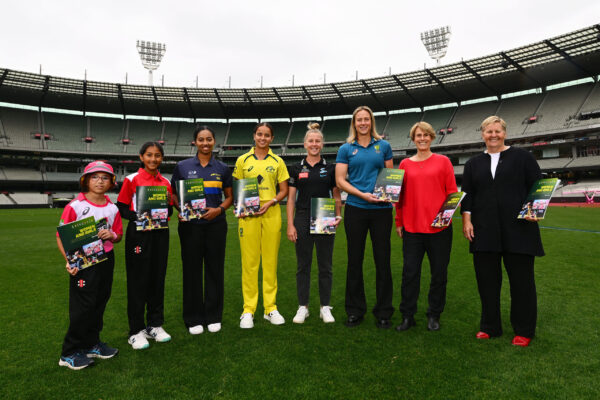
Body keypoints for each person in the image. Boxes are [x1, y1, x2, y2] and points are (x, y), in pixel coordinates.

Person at [461, 116, 544, 347]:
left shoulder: (523, 157)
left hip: (519, 229)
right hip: (484, 231)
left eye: (497, 131)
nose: (493, 135)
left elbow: (538, 186)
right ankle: (490, 327)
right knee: (487, 282)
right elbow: (467, 195)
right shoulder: (473, 164)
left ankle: (524, 330)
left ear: (504, 133)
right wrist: (466, 221)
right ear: (482, 134)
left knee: (522, 283)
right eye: (488, 131)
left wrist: (535, 210)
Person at [56, 161, 123, 370]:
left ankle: (92, 344)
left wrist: (111, 234)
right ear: (85, 180)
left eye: (105, 177)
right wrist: (69, 261)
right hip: (83, 263)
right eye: (94, 177)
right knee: (83, 306)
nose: (99, 181)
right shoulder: (75, 206)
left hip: (105, 259)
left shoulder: (112, 208)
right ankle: (69, 352)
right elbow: (61, 235)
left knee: (100, 301)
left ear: (111, 182)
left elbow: (118, 235)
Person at [394, 122, 457, 332]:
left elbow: (452, 194)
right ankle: (407, 315)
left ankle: (434, 314)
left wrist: (445, 219)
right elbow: (399, 197)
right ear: (413, 138)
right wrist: (399, 222)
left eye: (426, 135)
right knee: (410, 274)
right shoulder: (404, 164)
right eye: (418, 135)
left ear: (432, 137)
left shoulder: (444, 162)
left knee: (439, 274)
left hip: (439, 229)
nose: (422, 138)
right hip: (412, 229)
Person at [335, 105, 395, 329]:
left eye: (366, 119)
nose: (363, 123)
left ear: (371, 122)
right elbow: (341, 180)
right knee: (354, 261)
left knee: (383, 261)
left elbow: (389, 176)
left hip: (381, 210)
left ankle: (383, 312)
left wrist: (381, 197)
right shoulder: (346, 149)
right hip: (356, 208)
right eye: (359, 120)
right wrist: (363, 195)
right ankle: (354, 311)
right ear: (354, 123)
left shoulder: (384, 146)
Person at [171, 126, 233, 335]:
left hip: (216, 225)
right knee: (192, 271)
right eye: (201, 139)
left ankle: (213, 316)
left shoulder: (223, 168)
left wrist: (219, 210)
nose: (205, 143)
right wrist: (181, 210)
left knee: (215, 270)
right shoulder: (182, 166)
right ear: (195, 142)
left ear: (214, 141)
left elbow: (230, 197)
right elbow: (173, 195)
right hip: (190, 227)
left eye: (209, 139)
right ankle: (193, 318)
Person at [117, 142, 173, 350]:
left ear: (161, 158)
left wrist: (167, 203)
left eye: (157, 156)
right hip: (139, 235)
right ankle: (135, 330)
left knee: (157, 278)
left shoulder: (166, 182)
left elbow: (169, 214)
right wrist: (139, 217)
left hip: (160, 234)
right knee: (138, 280)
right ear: (141, 157)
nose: (153, 159)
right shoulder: (132, 179)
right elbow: (122, 208)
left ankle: (155, 325)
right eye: (149, 155)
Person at [233, 122, 289, 328]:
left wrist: (272, 202)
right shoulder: (242, 160)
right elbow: (237, 187)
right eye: (259, 134)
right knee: (249, 263)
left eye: (267, 135)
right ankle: (248, 310)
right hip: (248, 216)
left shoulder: (278, 161)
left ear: (272, 139)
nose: (263, 138)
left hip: (271, 213)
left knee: (270, 262)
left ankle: (270, 308)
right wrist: (239, 206)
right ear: (254, 136)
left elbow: (283, 190)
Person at [287, 122, 342, 324]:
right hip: (301, 217)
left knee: (325, 265)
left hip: (324, 216)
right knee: (303, 265)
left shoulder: (330, 168)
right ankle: (303, 307)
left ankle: (324, 307)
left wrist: (338, 215)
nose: (314, 144)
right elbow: (291, 199)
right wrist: (290, 224)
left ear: (322, 144)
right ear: (304, 143)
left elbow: (336, 196)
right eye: (311, 141)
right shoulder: (295, 168)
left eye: (318, 141)